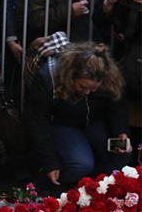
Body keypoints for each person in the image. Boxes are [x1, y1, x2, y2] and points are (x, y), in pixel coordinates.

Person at [26, 42, 131, 189]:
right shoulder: (48, 77)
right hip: (61, 122)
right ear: (71, 76)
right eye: (83, 87)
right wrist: (49, 162)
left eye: (94, 89)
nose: (87, 92)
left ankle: (97, 190)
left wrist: (121, 131)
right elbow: (37, 121)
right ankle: (45, 186)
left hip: (94, 120)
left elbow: (117, 105)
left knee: (120, 154)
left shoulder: (110, 77)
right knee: (81, 164)